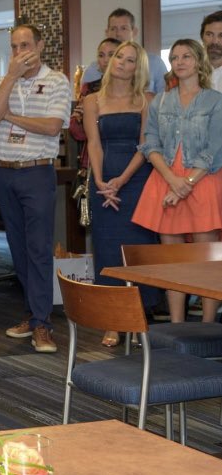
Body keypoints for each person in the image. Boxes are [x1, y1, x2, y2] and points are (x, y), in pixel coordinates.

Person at [0, 25, 70, 355]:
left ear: (41, 45)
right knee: (17, 249)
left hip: (36, 172)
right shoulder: (1, 82)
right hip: (3, 173)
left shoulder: (57, 80)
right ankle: (32, 315)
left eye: (26, 45)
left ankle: (43, 324)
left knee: (38, 248)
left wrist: (13, 116)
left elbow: (51, 126)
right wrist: (10, 78)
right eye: (15, 46)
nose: (21, 52)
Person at [133, 39, 222, 324]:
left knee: (206, 261)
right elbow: (150, 144)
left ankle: (208, 330)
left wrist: (187, 183)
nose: (180, 61)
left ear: (199, 61)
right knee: (173, 263)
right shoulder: (160, 100)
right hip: (165, 180)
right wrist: (173, 180)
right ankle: (176, 327)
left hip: (204, 181)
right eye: (174, 57)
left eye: (186, 56)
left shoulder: (215, 100)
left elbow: (215, 147)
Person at [82, 41, 158, 346]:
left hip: (138, 180)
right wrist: (100, 181)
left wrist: (122, 180)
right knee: (108, 251)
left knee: (138, 251)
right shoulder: (92, 101)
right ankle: (112, 322)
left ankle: (139, 318)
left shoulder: (146, 100)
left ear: (137, 69)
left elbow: (146, 145)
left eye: (129, 60)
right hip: (103, 182)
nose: (121, 63)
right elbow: (93, 144)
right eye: (118, 57)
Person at [80, 8, 168, 94]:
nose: (118, 34)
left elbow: (165, 101)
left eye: (124, 28)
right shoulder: (93, 70)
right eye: (113, 29)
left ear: (134, 32)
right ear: (107, 33)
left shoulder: (155, 63)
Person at [69, 38, 121, 168]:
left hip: (124, 156)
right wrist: (81, 119)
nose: (105, 60)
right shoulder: (89, 89)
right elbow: (77, 132)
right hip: (93, 159)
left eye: (111, 54)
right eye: (101, 55)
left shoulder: (136, 90)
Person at [201, 10, 222, 91]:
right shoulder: (190, 71)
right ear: (202, 37)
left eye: (221, 35)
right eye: (209, 34)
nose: (214, 41)